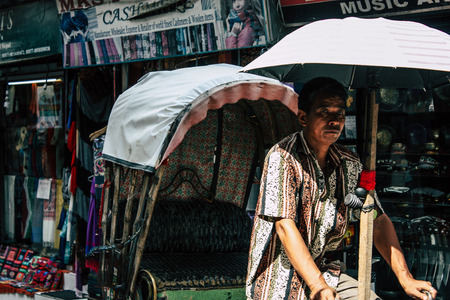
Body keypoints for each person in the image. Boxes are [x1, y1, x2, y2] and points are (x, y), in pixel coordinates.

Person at [246, 77, 437, 300]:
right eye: (324, 112)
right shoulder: (283, 157)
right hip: (279, 277)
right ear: (303, 117)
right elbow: (284, 226)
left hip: (326, 272)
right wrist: (317, 285)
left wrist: (406, 278)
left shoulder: (350, 163)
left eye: (340, 114)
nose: (334, 121)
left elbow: (376, 219)